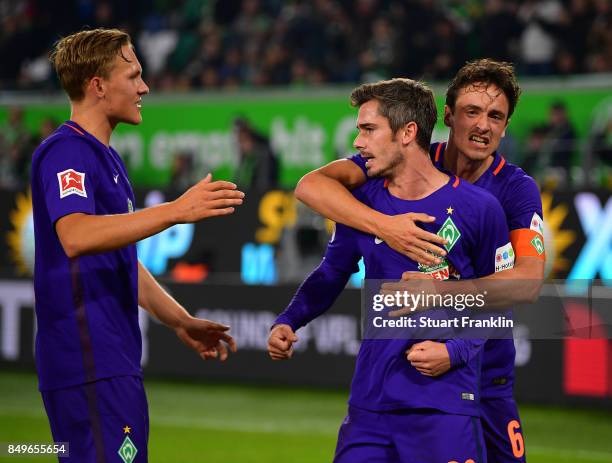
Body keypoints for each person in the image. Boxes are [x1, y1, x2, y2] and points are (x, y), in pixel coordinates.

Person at [293, 59, 546, 462]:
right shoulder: (399, 159)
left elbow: (526, 284)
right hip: (411, 380)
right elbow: (310, 186)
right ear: (447, 115)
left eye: (496, 116)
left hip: (487, 375)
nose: (483, 125)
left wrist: (441, 294)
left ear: (506, 125)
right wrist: (386, 226)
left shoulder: (514, 189)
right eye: (472, 112)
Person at [31, 28, 244, 462]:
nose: (144, 87)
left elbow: (121, 261)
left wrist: (180, 321)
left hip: (112, 359)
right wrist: (174, 211)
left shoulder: (107, 158)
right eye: (133, 75)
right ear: (98, 86)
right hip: (87, 360)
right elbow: (75, 236)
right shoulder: (66, 152)